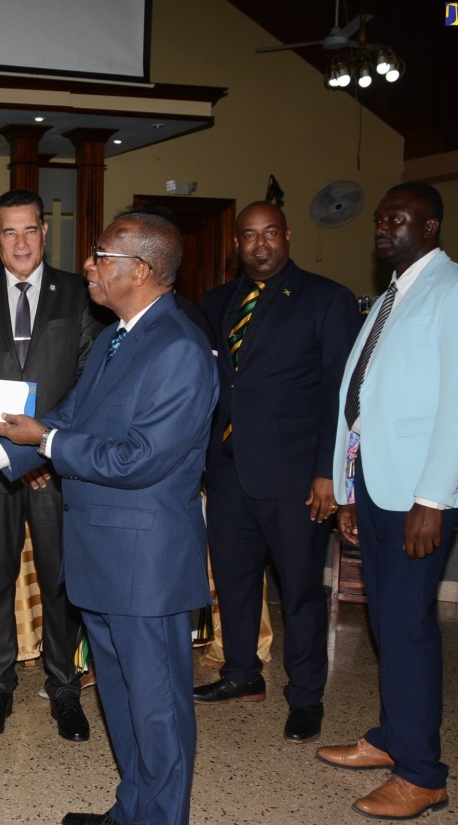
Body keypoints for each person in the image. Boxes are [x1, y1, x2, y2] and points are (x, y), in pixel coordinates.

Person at [0, 212, 218, 825]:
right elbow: (67, 414)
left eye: (100, 255)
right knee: (121, 697)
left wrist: (50, 444)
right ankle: (132, 810)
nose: (87, 265)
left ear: (139, 270)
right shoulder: (121, 335)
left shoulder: (179, 348)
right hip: (107, 557)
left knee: (158, 708)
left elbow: (139, 458)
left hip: (147, 564)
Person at [317, 183, 458, 821]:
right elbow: (364, 395)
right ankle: (391, 739)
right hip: (374, 484)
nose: (382, 228)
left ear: (429, 227)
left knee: (406, 627)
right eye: (379, 220)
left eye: (395, 220)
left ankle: (423, 774)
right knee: (385, 624)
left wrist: (434, 497)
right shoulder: (391, 293)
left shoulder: (450, 291)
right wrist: (347, 489)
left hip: (415, 493)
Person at [195, 202, 360, 744]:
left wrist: (328, 474)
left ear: (287, 236)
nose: (259, 245)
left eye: (269, 234)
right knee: (236, 584)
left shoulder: (326, 299)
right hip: (227, 473)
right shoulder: (217, 302)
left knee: (300, 592)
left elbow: (342, 395)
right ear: (236, 243)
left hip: (296, 481)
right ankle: (241, 673)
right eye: (248, 236)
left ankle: (306, 695)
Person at [0, 188, 102, 740]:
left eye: (29, 229)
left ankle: (64, 689)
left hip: (58, 466)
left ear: (44, 232)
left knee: (61, 582)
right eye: (8, 232)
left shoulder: (81, 294)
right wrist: (8, 451)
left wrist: (44, 447)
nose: (20, 242)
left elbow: (90, 385)